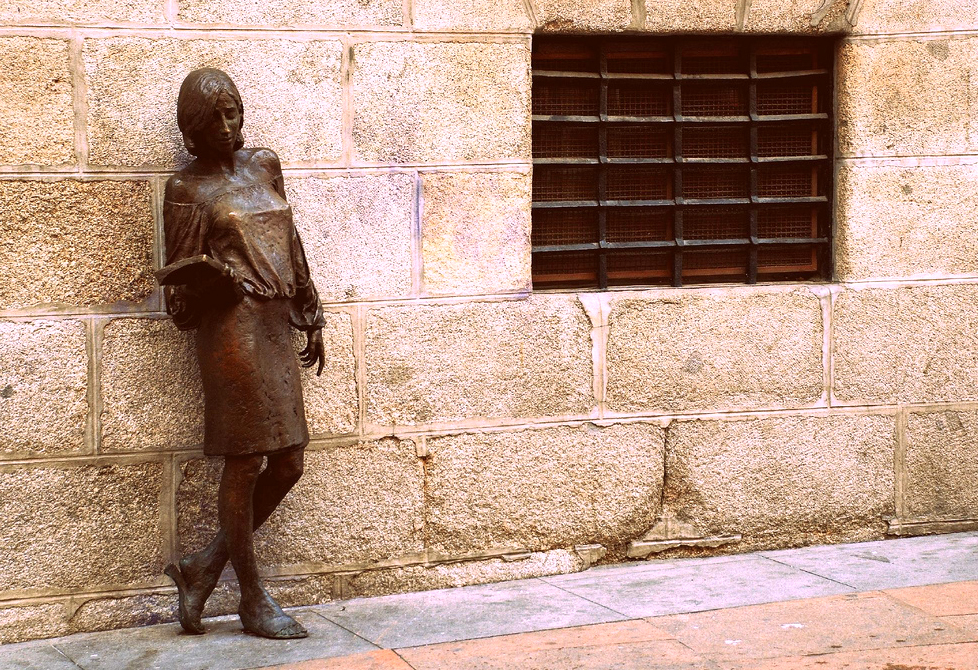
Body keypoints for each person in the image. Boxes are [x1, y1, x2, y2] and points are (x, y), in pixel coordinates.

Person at [161, 68, 325, 640]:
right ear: (193, 127)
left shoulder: (264, 164)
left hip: (276, 323)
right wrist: (213, 280)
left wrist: (310, 306)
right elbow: (179, 298)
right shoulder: (187, 189)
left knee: (290, 462)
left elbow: (292, 237)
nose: (227, 127)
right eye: (214, 119)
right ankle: (252, 600)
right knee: (247, 458)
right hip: (230, 330)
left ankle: (203, 568)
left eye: (233, 113)